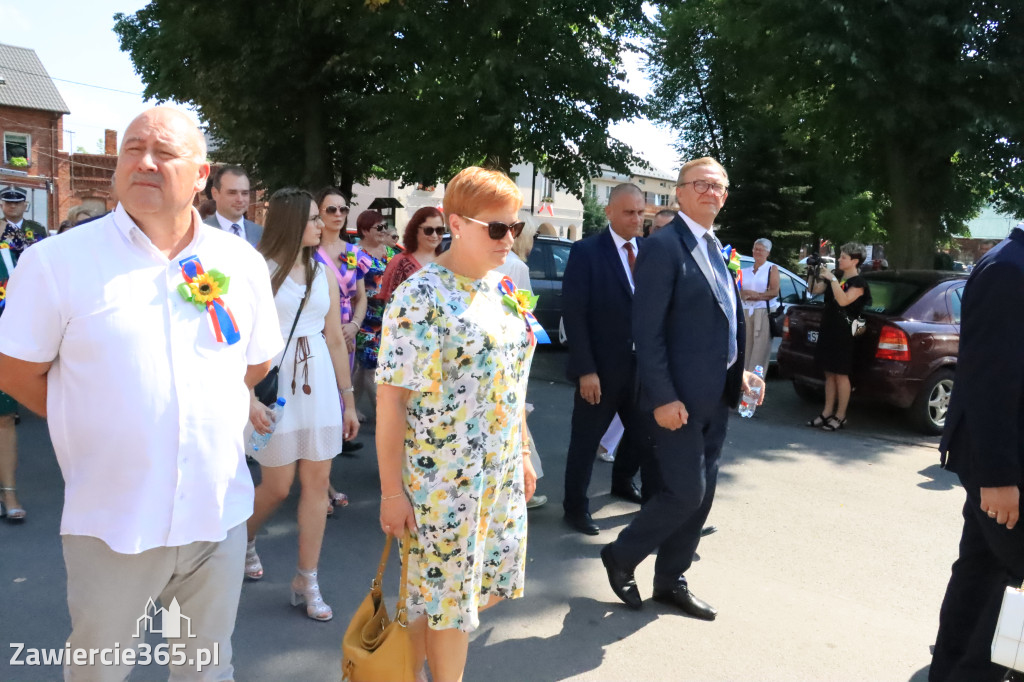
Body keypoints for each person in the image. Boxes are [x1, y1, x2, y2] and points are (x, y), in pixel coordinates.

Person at [0, 107, 283, 680]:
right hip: (113, 520)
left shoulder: (242, 263)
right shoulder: (57, 261)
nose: (145, 162)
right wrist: (95, 421)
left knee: (206, 669)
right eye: (133, 148)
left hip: (215, 516)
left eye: (164, 152)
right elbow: (15, 372)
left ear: (201, 174)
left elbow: (253, 362)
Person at [376, 166, 538, 682]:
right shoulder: (420, 297)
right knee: (450, 607)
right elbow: (392, 402)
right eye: (496, 228)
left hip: (499, 473)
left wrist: (523, 451)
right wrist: (390, 493)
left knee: (471, 593)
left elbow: (512, 382)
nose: (508, 239)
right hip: (444, 484)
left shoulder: (501, 288)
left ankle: (410, 669)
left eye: (515, 227)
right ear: (455, 223)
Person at [601, 157, 761, 620]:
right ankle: (621, 555)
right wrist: (664, 396)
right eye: (703, 184)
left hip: (717, 398)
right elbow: (646, 332)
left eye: (720, 187)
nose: (713, 193)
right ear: (681, 192)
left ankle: (671, 580)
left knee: (704, 494)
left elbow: (722, 324)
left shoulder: (715, 248)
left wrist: (741, 372)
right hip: (676, 401)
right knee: (685, 492)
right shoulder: (664, 247)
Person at [243, 188, 359, 621]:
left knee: (317, 482)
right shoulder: (258, 270)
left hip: (319, 386)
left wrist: (349, 401)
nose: (320, 224)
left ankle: (306, 579)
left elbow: (332, 338)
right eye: (313, 218)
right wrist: (249, 394)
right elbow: (240, 340)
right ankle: (244, 540)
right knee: (277, 486)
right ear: (292, 223)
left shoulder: (321, 271)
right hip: (275, 382)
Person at [929, 224, 1024, 681]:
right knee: (1002, 584)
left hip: (1003, 461)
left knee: (981, 575)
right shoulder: (1010, 268)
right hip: (1006, 468)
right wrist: (1000, 477)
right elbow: (991, 382)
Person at [561, 183, 651, 535]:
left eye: (641, 212)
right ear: (610, 212)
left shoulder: (649, 251)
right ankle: (574, 507)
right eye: (629, 212)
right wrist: (586, 369)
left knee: (643, 436)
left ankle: (623, 482)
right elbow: (575, 312)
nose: (637, 219)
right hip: (600, 369)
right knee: (585, 441)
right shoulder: (586, 252)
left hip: (640, 369)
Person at [313, 186, 369, 475]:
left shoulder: (353, 252)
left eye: (343, 209)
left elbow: (362, 296)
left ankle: (325, 474)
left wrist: (355, 326)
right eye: (331, 209)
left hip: (347, 332)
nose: (338, 214)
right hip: (319, 331)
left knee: (340, 396)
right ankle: (323, 480)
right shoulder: (310, 252)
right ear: (319, 213)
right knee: (322, 401)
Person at [0, 186, 46, 524]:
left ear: (24, 205)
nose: (11, 206)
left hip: (13, 325)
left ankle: (9, 491)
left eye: (17, 202)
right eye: (6, 202)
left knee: (4, 418)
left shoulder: (37, 233)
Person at [495, 220, 548, 509]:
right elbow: (525, 311)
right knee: (516, 419)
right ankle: (526, 482)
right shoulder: (518, 267)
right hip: (512, 348)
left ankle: (526, 479)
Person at [804, 243, 870, 432]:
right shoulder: (837, 277)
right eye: (840, 256)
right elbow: (813, 290)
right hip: (829, 328)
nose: (839, 259)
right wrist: (813, 270)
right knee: (829, 373)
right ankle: (826, 412)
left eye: (843, 257)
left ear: (855, 261)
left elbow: (843, 300)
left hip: (845, 333)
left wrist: (832, 278)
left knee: (841, 374)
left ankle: (840, 416)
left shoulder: (859, 283)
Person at [352, 209, 398, 421]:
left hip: (388, 316)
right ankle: (384, 415)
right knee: (371, 366)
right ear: (364, 230)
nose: (383, 231)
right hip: (365, 316)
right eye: (378, 227)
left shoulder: (390, 252)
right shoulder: (354, 253)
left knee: (363, 368)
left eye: (384, 227)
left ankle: (347, 409)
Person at [376, 206, 445, 302]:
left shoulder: (446, 261)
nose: (434, 235)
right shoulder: (400, 262)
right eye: (428, 230)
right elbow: (390, 301)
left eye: (439, 230)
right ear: (415, 230)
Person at [740, 237, 781, 374]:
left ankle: (755, 384)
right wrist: (744, 293)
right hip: (746, 311)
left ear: (767, 253)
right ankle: (744, 381)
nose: (756, 252)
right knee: (746, 348)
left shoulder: (771, 268)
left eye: (760, 250)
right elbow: (737, 291)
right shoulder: (745, 271)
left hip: (763, 312)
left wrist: (756, 295)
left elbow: (774, 291)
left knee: (760, 350)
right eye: (755, 249)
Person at [204, 165, 262, 247]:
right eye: (232, 193)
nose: (240, 199)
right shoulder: (199, 233)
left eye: (245, 193)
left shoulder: (261, 234)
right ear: (215, 194)